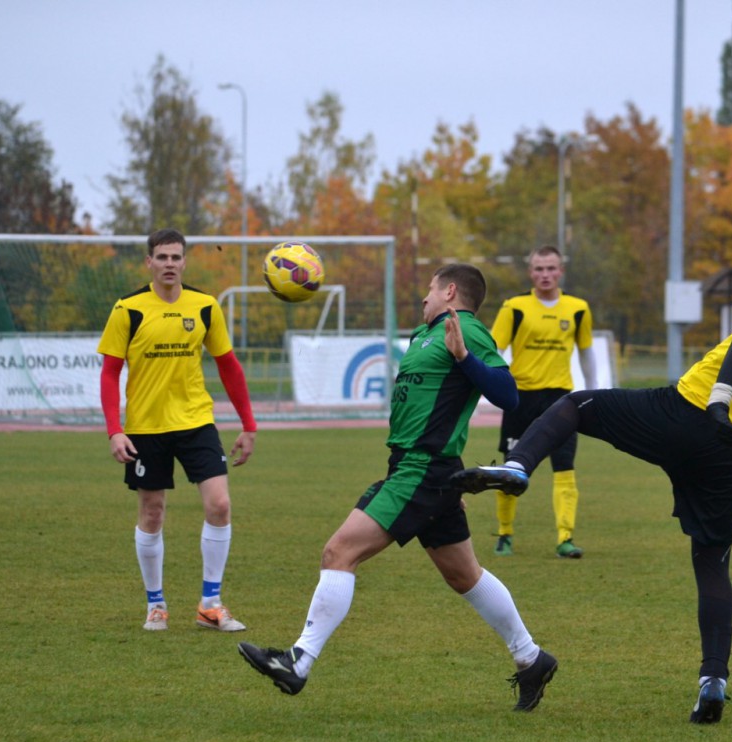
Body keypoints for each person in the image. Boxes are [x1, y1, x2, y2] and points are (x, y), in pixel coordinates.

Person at [452, 238, 732, 724]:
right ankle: (713, 681)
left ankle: (519, 465)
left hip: (687, 412)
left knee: (575, 405)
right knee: (712, 562)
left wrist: (720, 397)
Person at [237, 264, 557, 712]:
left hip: (422, 469)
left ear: (450, 291)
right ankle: (531, 658)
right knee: (464, 576)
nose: (424, 297)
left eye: (430, 289)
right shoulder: (424, 334)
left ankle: (299, 661)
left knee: (339, 552)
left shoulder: (464, 327)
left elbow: (508, 394)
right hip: (422, 468)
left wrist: (465, 358)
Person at [97, 228, 258, 632]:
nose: (169, 263)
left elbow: (228, 366)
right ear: (149, 262)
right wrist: (115, 429)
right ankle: (156, 604)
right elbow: (110, 372)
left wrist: (248, 424)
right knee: (152, 513)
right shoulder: (128, 309)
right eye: (162, 257)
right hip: (145, 427)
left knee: (220, 505)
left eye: (175, 257)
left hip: (196, 421)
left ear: (184, 262)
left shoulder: (204, 306)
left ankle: (210, 605)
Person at [489, 245, 597, 558]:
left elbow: (586, 353)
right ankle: (505, 533)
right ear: (530, 272)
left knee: (564, 468)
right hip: (520, 400)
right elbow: (494, 349)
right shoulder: (514, 307)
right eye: (539, 268)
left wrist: (594, 392)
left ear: (561, 271)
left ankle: (565, 539)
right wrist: (494, 383)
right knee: (511, 469)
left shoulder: (578, 308)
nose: (545, 274)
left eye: (551, 268)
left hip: (561, 401)